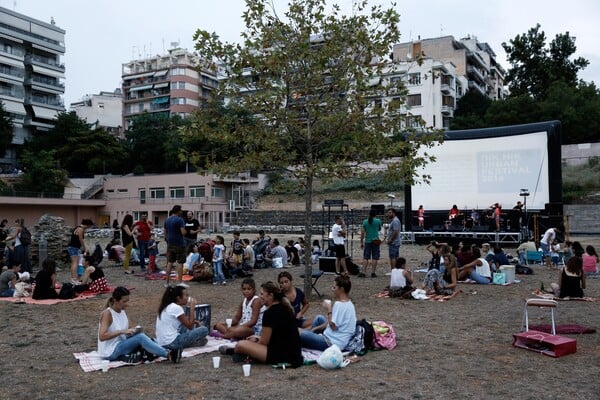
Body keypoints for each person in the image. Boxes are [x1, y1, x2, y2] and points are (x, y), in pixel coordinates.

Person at [229, 281, 303, 367]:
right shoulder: (285, 308)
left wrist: (254, 343)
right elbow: (278, 336)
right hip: (294, 353)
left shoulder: (269, 313)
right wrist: (258, 338)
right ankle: (246, 353)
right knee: (251, 341)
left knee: (240, 345)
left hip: (280, 355)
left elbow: (264, 342)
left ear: (271, 296)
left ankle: (244, 354)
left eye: (262, 294)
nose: (259, 296)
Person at [98, 287, 174, 363]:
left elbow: (123, 333)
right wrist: (122, 331)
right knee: (140, 338)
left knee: (145, 338)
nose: (126, 304)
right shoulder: (107, 314)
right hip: (109, 351)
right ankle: (168, 354)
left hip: (119, 344)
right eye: (124, 302)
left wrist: (133, 331)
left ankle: (165, 350)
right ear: (115, 300)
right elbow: (102, 336)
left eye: (127, 301)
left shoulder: (121, 311)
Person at [300, 275, 356, 351]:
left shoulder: (339, 305)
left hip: (332, 343)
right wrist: (316, 328)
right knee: (319, 318)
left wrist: (329, 308)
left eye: (334, 287)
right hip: (339, 336)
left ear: (341, 289)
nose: (332, 290)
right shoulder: (349, 303)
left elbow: (333, 326)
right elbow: (333, 323)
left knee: (302, 334)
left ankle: (307, 338)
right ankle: (312, 335)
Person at [155, 285, 209, 357]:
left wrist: (195, 321)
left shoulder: (167, 305)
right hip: (172, 343)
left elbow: (183, 320)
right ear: (178, 298)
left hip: (162, 342)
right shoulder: (176, 308)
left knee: (185, 325)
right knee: (204, 329)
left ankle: (191, 342)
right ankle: (188, 344)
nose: (187, 298)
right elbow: (190, 326)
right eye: (186, 296)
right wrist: (192, 308)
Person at [164, 205, 187, 286]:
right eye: (181, 210)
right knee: (180, 262)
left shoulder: (167, 219)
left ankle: (167, 282)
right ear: (178, 211)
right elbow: (183, 232)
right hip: (179, 243)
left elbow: (165, 232)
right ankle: (179, 282)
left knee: (170, 262)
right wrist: (186, 230)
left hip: (170, 243)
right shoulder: (180, 220)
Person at [67, 219, 94, 284]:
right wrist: (85, 248)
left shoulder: (77, 227)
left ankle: (74, 278)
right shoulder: (81, 229)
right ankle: (74, 279)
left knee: (75, 263)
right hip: (74, 248)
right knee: (75, 263)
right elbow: (81, 239)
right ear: (87, 225)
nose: (88, 228)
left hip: (72, 247)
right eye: (89, 226)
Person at [359, 209, 382, 278]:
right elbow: (379, 229)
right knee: (375, 257)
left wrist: (361, 242)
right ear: (376, 214)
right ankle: (373, 272)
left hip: (368, 241)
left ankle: (363, 272)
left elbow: (362, 233)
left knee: (366, 257)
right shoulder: (378, 221)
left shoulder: (365, 222)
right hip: (375, 241)